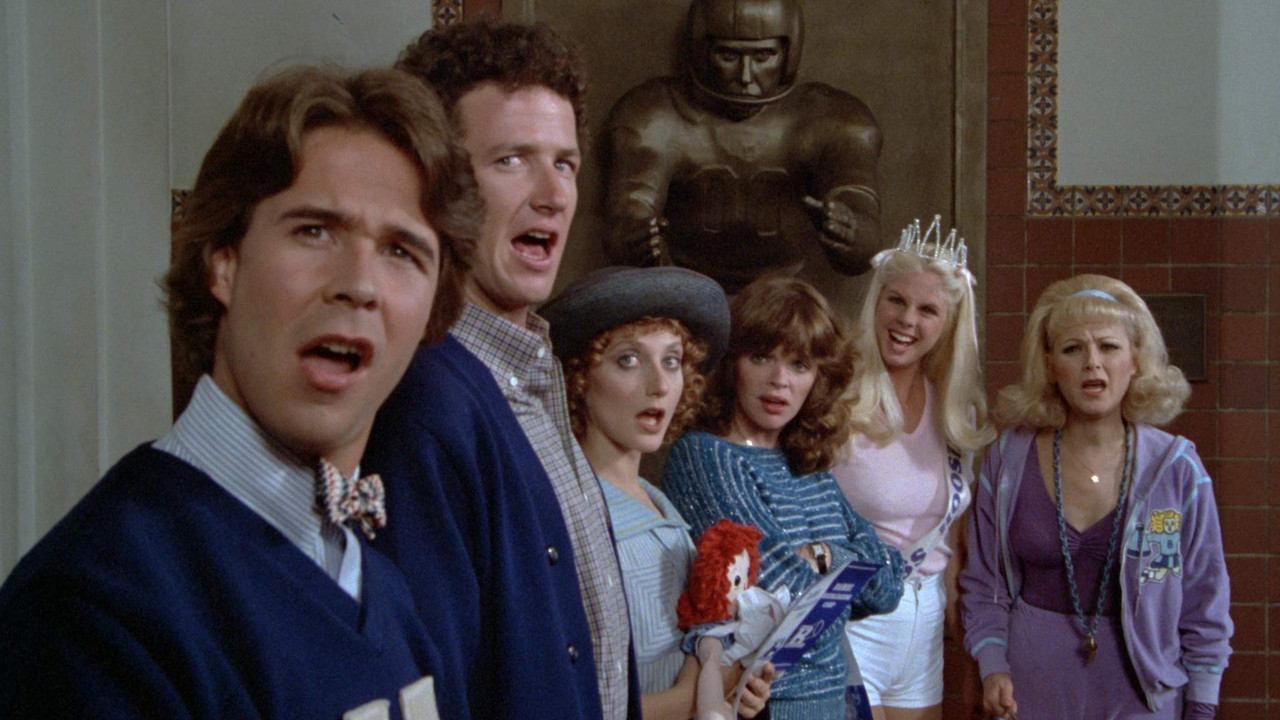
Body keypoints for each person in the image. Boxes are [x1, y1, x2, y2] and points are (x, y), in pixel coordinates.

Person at [0, 66, 481, 718]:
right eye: (315, 231)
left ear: (431, 313)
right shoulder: (93, 607)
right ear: (222, 263)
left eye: (402, 251)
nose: (359, 284)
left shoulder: (386, 589)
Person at [363, 18, 638, 720]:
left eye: (565, 163)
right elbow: (437, 685)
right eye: (512, 160)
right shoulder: (427, 401)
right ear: (439, 184)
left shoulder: (534, 377)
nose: (553, 194)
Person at [960, 275, 1233, 720]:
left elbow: (1205, 596)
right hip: (1028, 690)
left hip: (1144, 694)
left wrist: (1201, 703)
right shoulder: (1008, 460)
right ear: (1050, 365)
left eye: (1108, 347)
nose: (1093, 363)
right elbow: (984, 583)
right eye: (1073, 349)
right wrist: (992, 667)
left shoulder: (1178, 469)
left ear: (1135, 360)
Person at [662, 275, 906, 720]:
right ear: (732, 363)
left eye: (799, 365)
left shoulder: (805, 464)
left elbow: (889, 585)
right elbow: (781, 597)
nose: (779, 381)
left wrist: (824, 554)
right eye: (761, 357)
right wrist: (846, 571)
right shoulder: (705, 455)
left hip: (835, 703)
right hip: (764, 705)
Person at [541, 266, 775, 720]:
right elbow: (569, 703)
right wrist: (697, 695)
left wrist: (737, 689)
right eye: (628, 360)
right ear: (578, 377)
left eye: (671, 361)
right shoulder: (567, 512)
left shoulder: (656, 499)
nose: (660, 385)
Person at [828, 216, 995, 720]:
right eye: (896, 301)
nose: (907, 320)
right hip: (853, 617)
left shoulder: (955, 410)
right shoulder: (834, 397)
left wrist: (966, 645)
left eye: (927, 310)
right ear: (875, 302)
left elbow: (954, 538)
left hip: (925, 625)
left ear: (947, 323)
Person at [601, 0, 883, 294]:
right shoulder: (655, 114)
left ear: (789, 52)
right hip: (682, 292)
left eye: (763, 55)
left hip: (787, 298)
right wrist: (636, 239)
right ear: (702, 49)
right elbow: (628, 214)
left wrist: (850, 232)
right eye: (728, 55)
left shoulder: (833, 120)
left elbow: (863, 232)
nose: (745, 76)